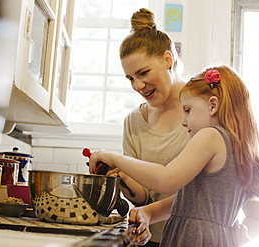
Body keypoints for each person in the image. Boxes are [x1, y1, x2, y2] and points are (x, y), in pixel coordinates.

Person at [89, 65, 259, 246]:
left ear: (213, 105)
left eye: (188, 110)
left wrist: (113, 158)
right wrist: (150, 212)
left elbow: (166, 179)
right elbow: (195, 201)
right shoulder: (238, 148)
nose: (184, 121)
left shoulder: (210, 135)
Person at [107, 8, 191, 246]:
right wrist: (121, 175)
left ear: (168, 59)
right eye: (130, 78)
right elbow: (143, 196)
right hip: (152, 241)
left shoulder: (202, 108)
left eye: (143, 73)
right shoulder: (133, 122)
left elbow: (203, 191)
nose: (138, 85)